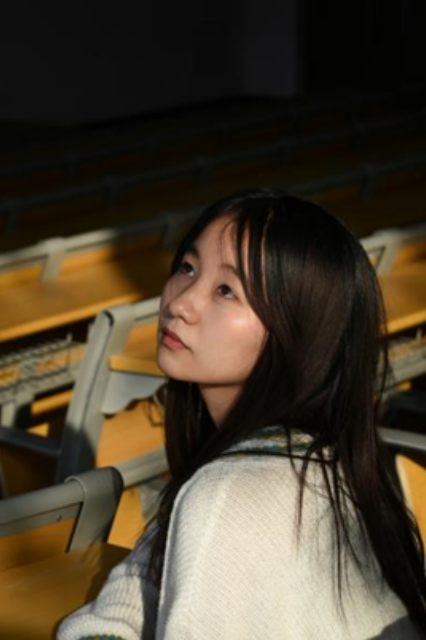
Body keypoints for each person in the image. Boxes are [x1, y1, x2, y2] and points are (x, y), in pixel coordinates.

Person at [58, 188, 426, 639]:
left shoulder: (230, 494)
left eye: (227, 291)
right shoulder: (326, 458)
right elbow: (151, 567)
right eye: (188, 268)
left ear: (298, 334)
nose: (180, 303)